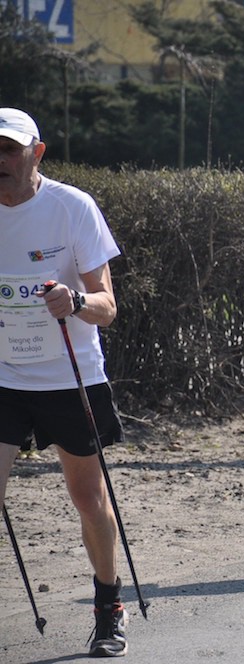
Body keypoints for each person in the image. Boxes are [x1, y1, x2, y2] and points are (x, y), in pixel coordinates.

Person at [0, 107, 128, 657]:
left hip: (68, 375)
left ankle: (108, 604)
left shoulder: (72, 207)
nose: (0, 160)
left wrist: (74, 301)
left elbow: (107, 307)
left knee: (87, 496)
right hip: (4, 377)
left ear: (37, 153)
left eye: (9, 149)